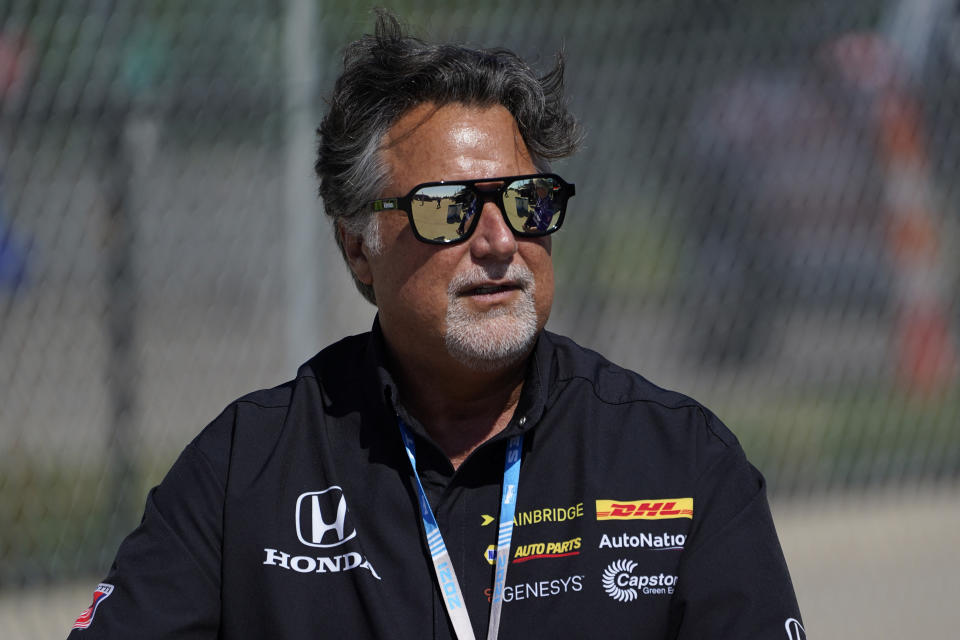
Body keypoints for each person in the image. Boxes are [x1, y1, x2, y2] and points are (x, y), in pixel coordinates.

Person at [68, 11, 804, 640]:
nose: (499, 240)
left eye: (526, 201)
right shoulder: (246, 472)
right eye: (450, 208)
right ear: (359, 247)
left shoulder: (680, 462)